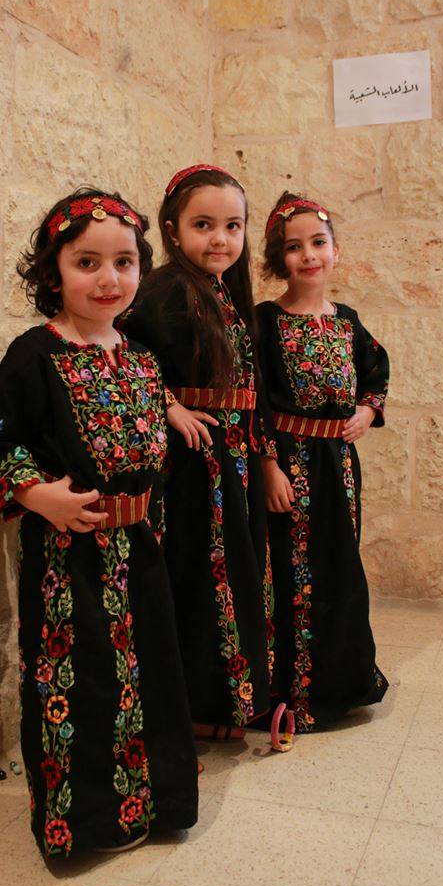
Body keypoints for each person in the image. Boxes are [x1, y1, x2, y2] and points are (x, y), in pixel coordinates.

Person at [0, 188, 198, 857]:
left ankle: (157, 805)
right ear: (54, 272)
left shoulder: (142, 358)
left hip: (141, 552)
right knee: (82, 683)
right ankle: (87, 825)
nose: (107, 279)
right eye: (86, 263)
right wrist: (38, 495)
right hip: (69, 558)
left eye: (124, 262)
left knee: (152, 673)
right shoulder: (33, 354)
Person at [122, 165, 285, 741]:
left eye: (232, 226)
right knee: (200, 578)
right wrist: (168, 404)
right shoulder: (165, 288)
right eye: (203, 225)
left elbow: (252, 389)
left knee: (235, 574)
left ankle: (229, 702)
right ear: (172, 230)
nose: (220, 239)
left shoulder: (223, 293)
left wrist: (266, 460)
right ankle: (197, 707)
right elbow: (125, 351)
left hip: (233, 463)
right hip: (194, 466)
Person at [256, 191, 389, 734]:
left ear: (335, 251)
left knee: (340, 567)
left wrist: (367, 409)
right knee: (293, 573)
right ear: (278, 257)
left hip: (340, 468)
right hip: (289, 467)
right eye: (294, 247)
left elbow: (376, 372)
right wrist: (268, 466)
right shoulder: (265, 322)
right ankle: (291, 689)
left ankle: (341, 682)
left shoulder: (349, 321)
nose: (308, 255)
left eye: (318, 242)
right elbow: (255, 401)